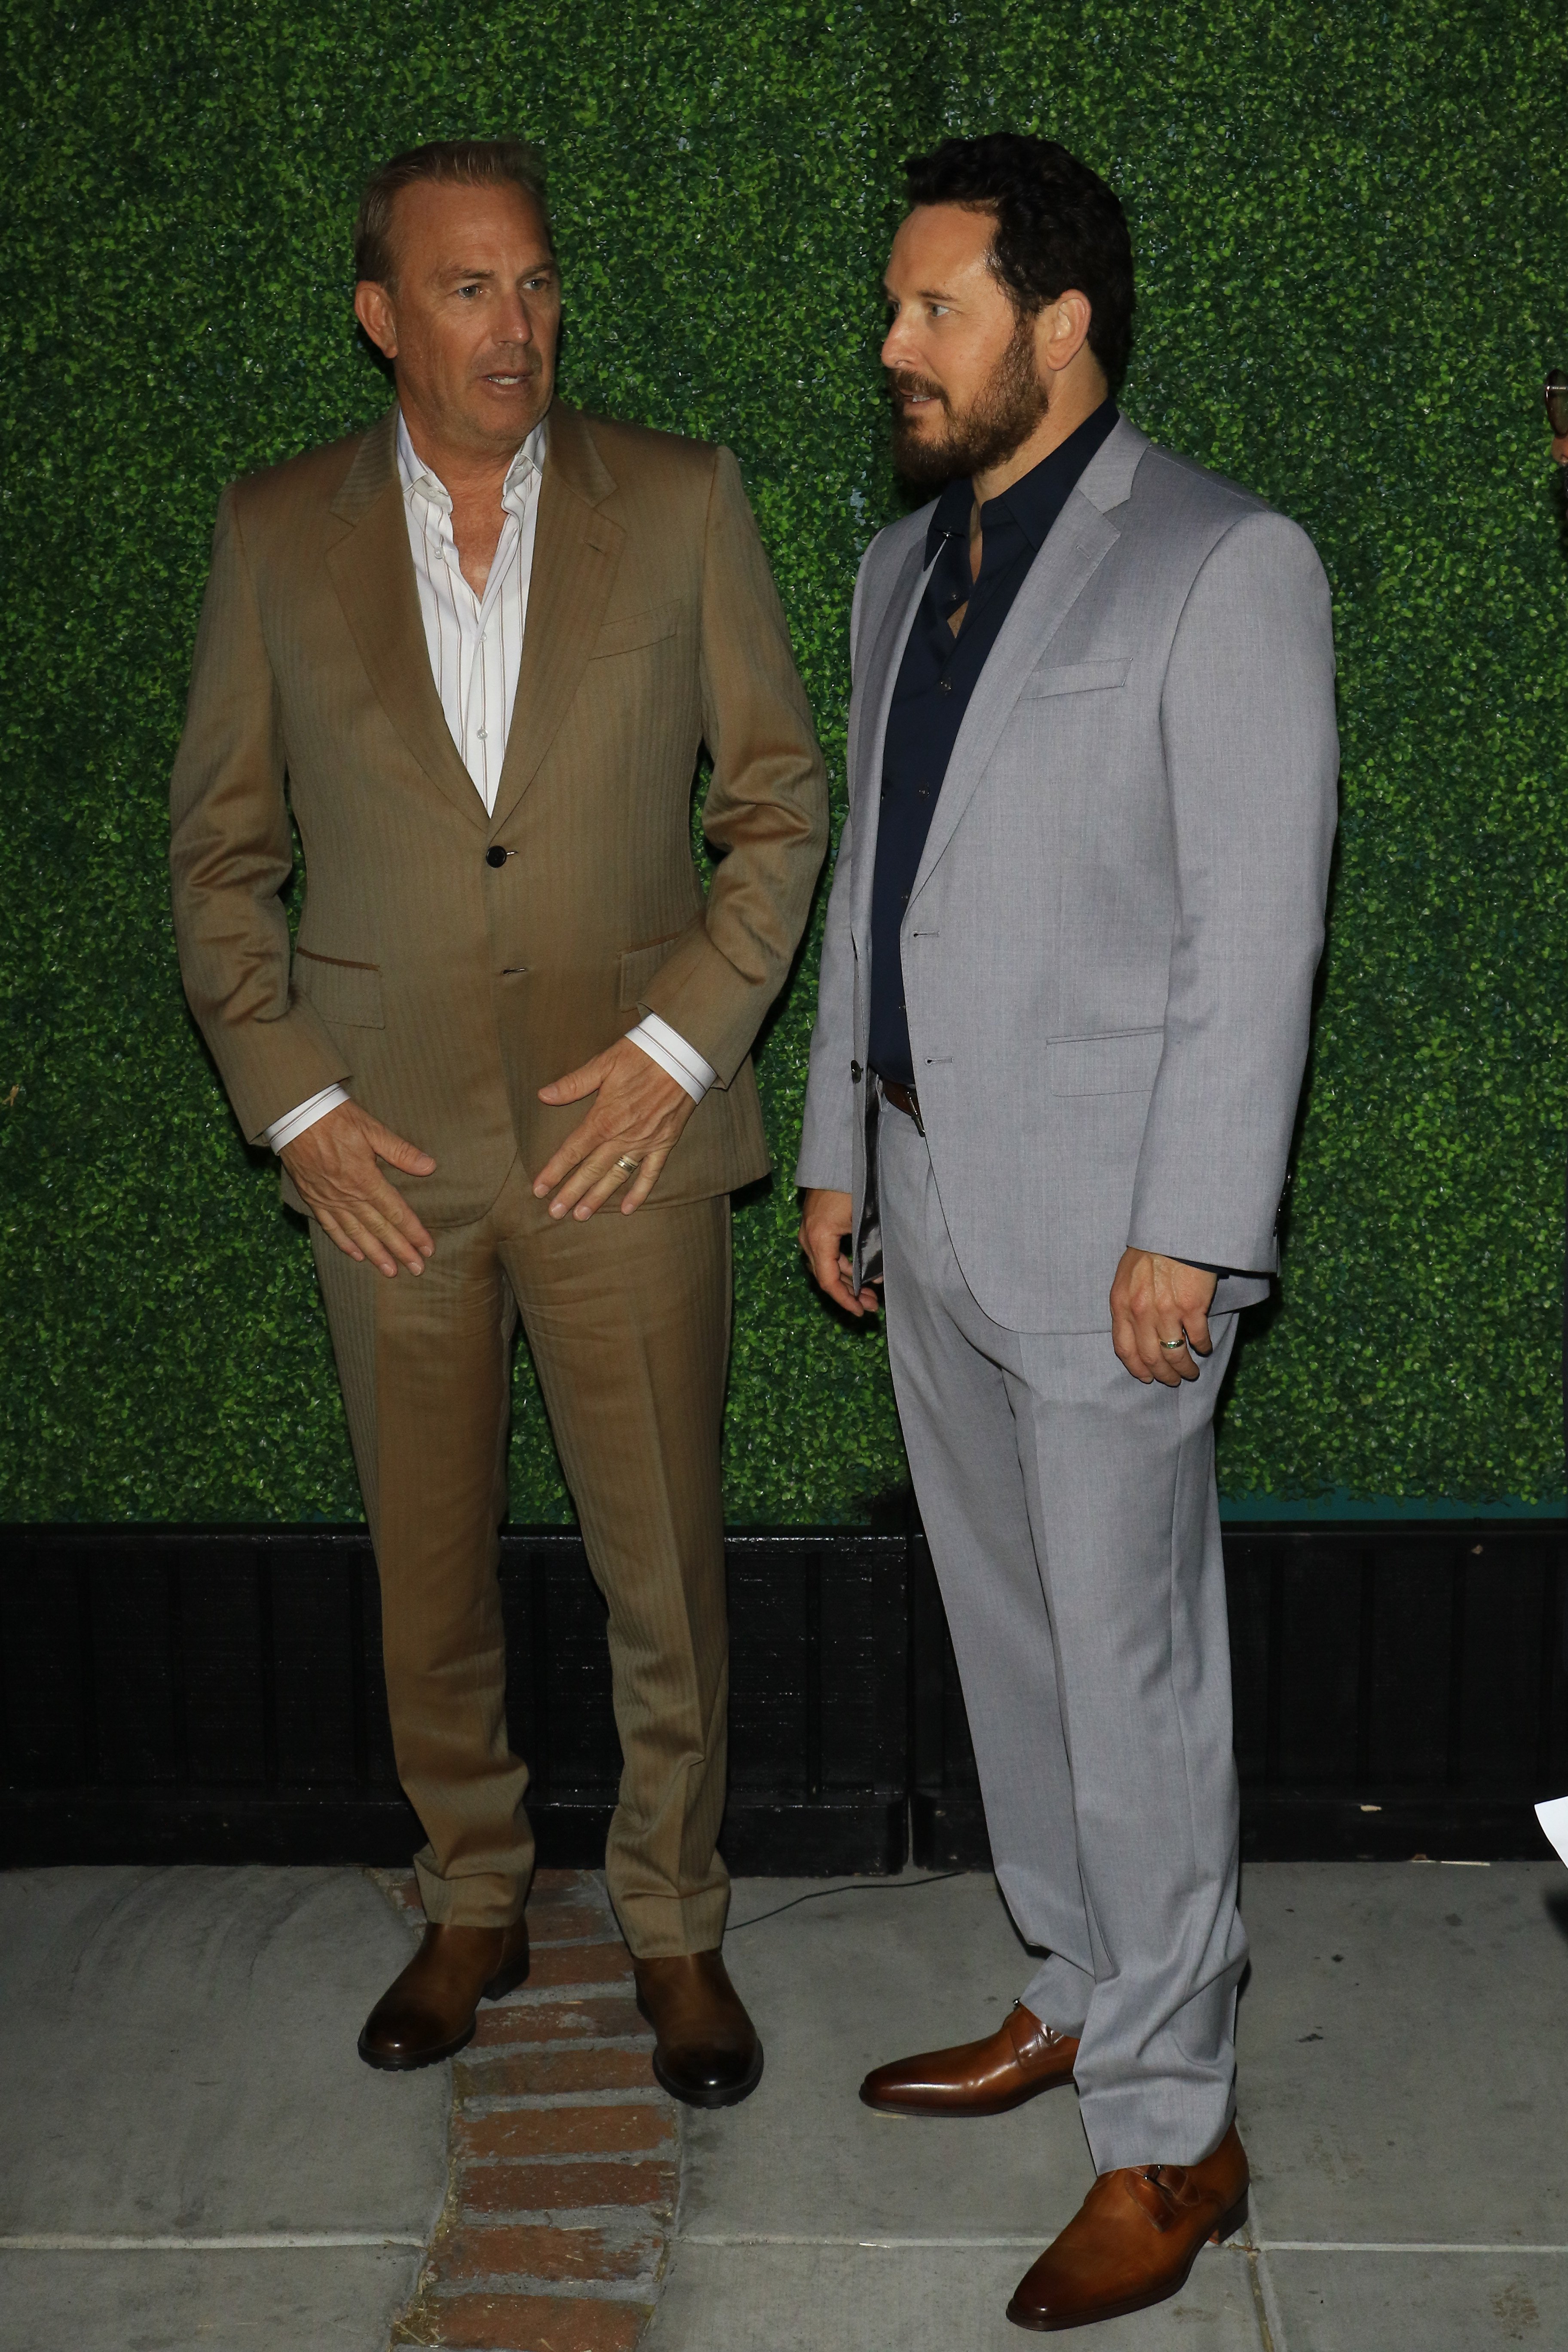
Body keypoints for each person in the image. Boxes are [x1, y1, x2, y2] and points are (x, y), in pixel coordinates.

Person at [170, 138, 827, 2102]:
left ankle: (679, 1929)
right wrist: (295, 1110)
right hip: (386, 1162)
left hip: (626, 1146)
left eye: (537, 284)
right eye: (469, 290)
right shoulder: (275, 533)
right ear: (382, 315)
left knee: (667, 1578)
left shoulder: (686, 500)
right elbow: (221, 861)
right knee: (425, 1566)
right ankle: (472, 1894)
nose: (516, 326)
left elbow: (780, 800)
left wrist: (683, 1046)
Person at [798, 134, 1338, 2331]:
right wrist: (839, 1132)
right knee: (1012, 1645)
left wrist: (1192, 1230)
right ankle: (1077, 1978)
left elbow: (1256, 930)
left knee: (1134, 1683)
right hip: (926, 1198)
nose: (896, 342)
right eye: (900, 307)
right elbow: (875, 880)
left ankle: (1176, 2122)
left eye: (935, 307)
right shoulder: (894, 570)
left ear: (1061, 320)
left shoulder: (1225, 562)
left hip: (1118, 1235)